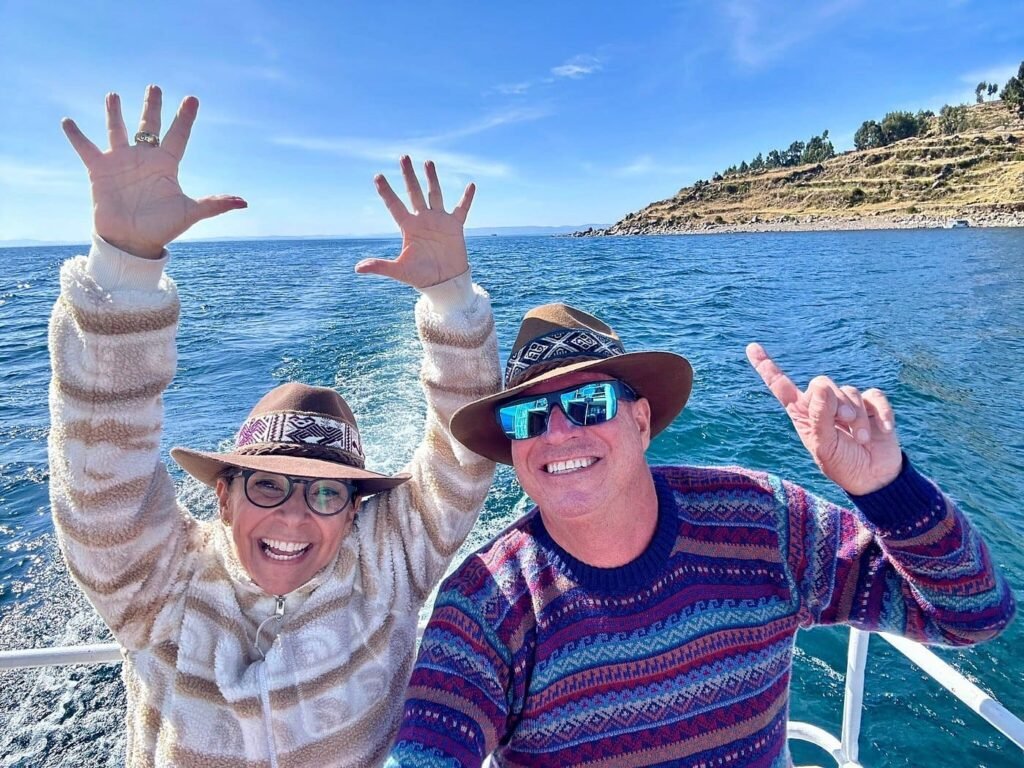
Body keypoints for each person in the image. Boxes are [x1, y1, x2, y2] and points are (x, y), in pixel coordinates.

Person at [49, 85, 499, 767]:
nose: (294, 516)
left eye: (325, 492)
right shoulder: (159, 582)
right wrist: (125, 265)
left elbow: (461, 456)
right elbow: (101, 456)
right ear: (224, 496)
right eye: (267, 485)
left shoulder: (388, 564)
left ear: (355, 510)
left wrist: (451, 297)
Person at [387, 302, 1015, 767]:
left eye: (588, 404)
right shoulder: (486, 603)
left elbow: (971, 615)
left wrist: (887, 489)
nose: (557, 433)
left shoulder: (761, 522)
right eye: (528, 417)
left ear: (640, 420)